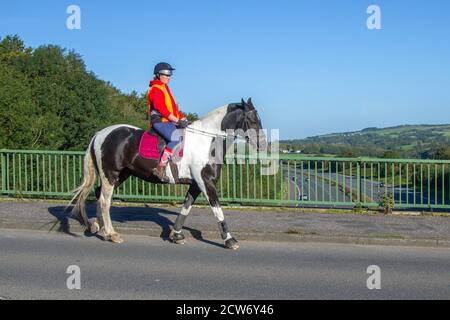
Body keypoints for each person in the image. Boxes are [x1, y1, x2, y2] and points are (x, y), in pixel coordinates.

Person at [148, 62, 188, 181]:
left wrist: (183, 118)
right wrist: (177, 121)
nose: (169, 76)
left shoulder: (165, 88)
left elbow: (173, 110)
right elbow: (163, 110)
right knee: (175, 138)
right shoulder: (156, 89)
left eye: (170, 74)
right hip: (159, 121)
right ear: (159, 75)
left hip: (168, 121)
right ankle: (160, 168)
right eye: (167, 74)